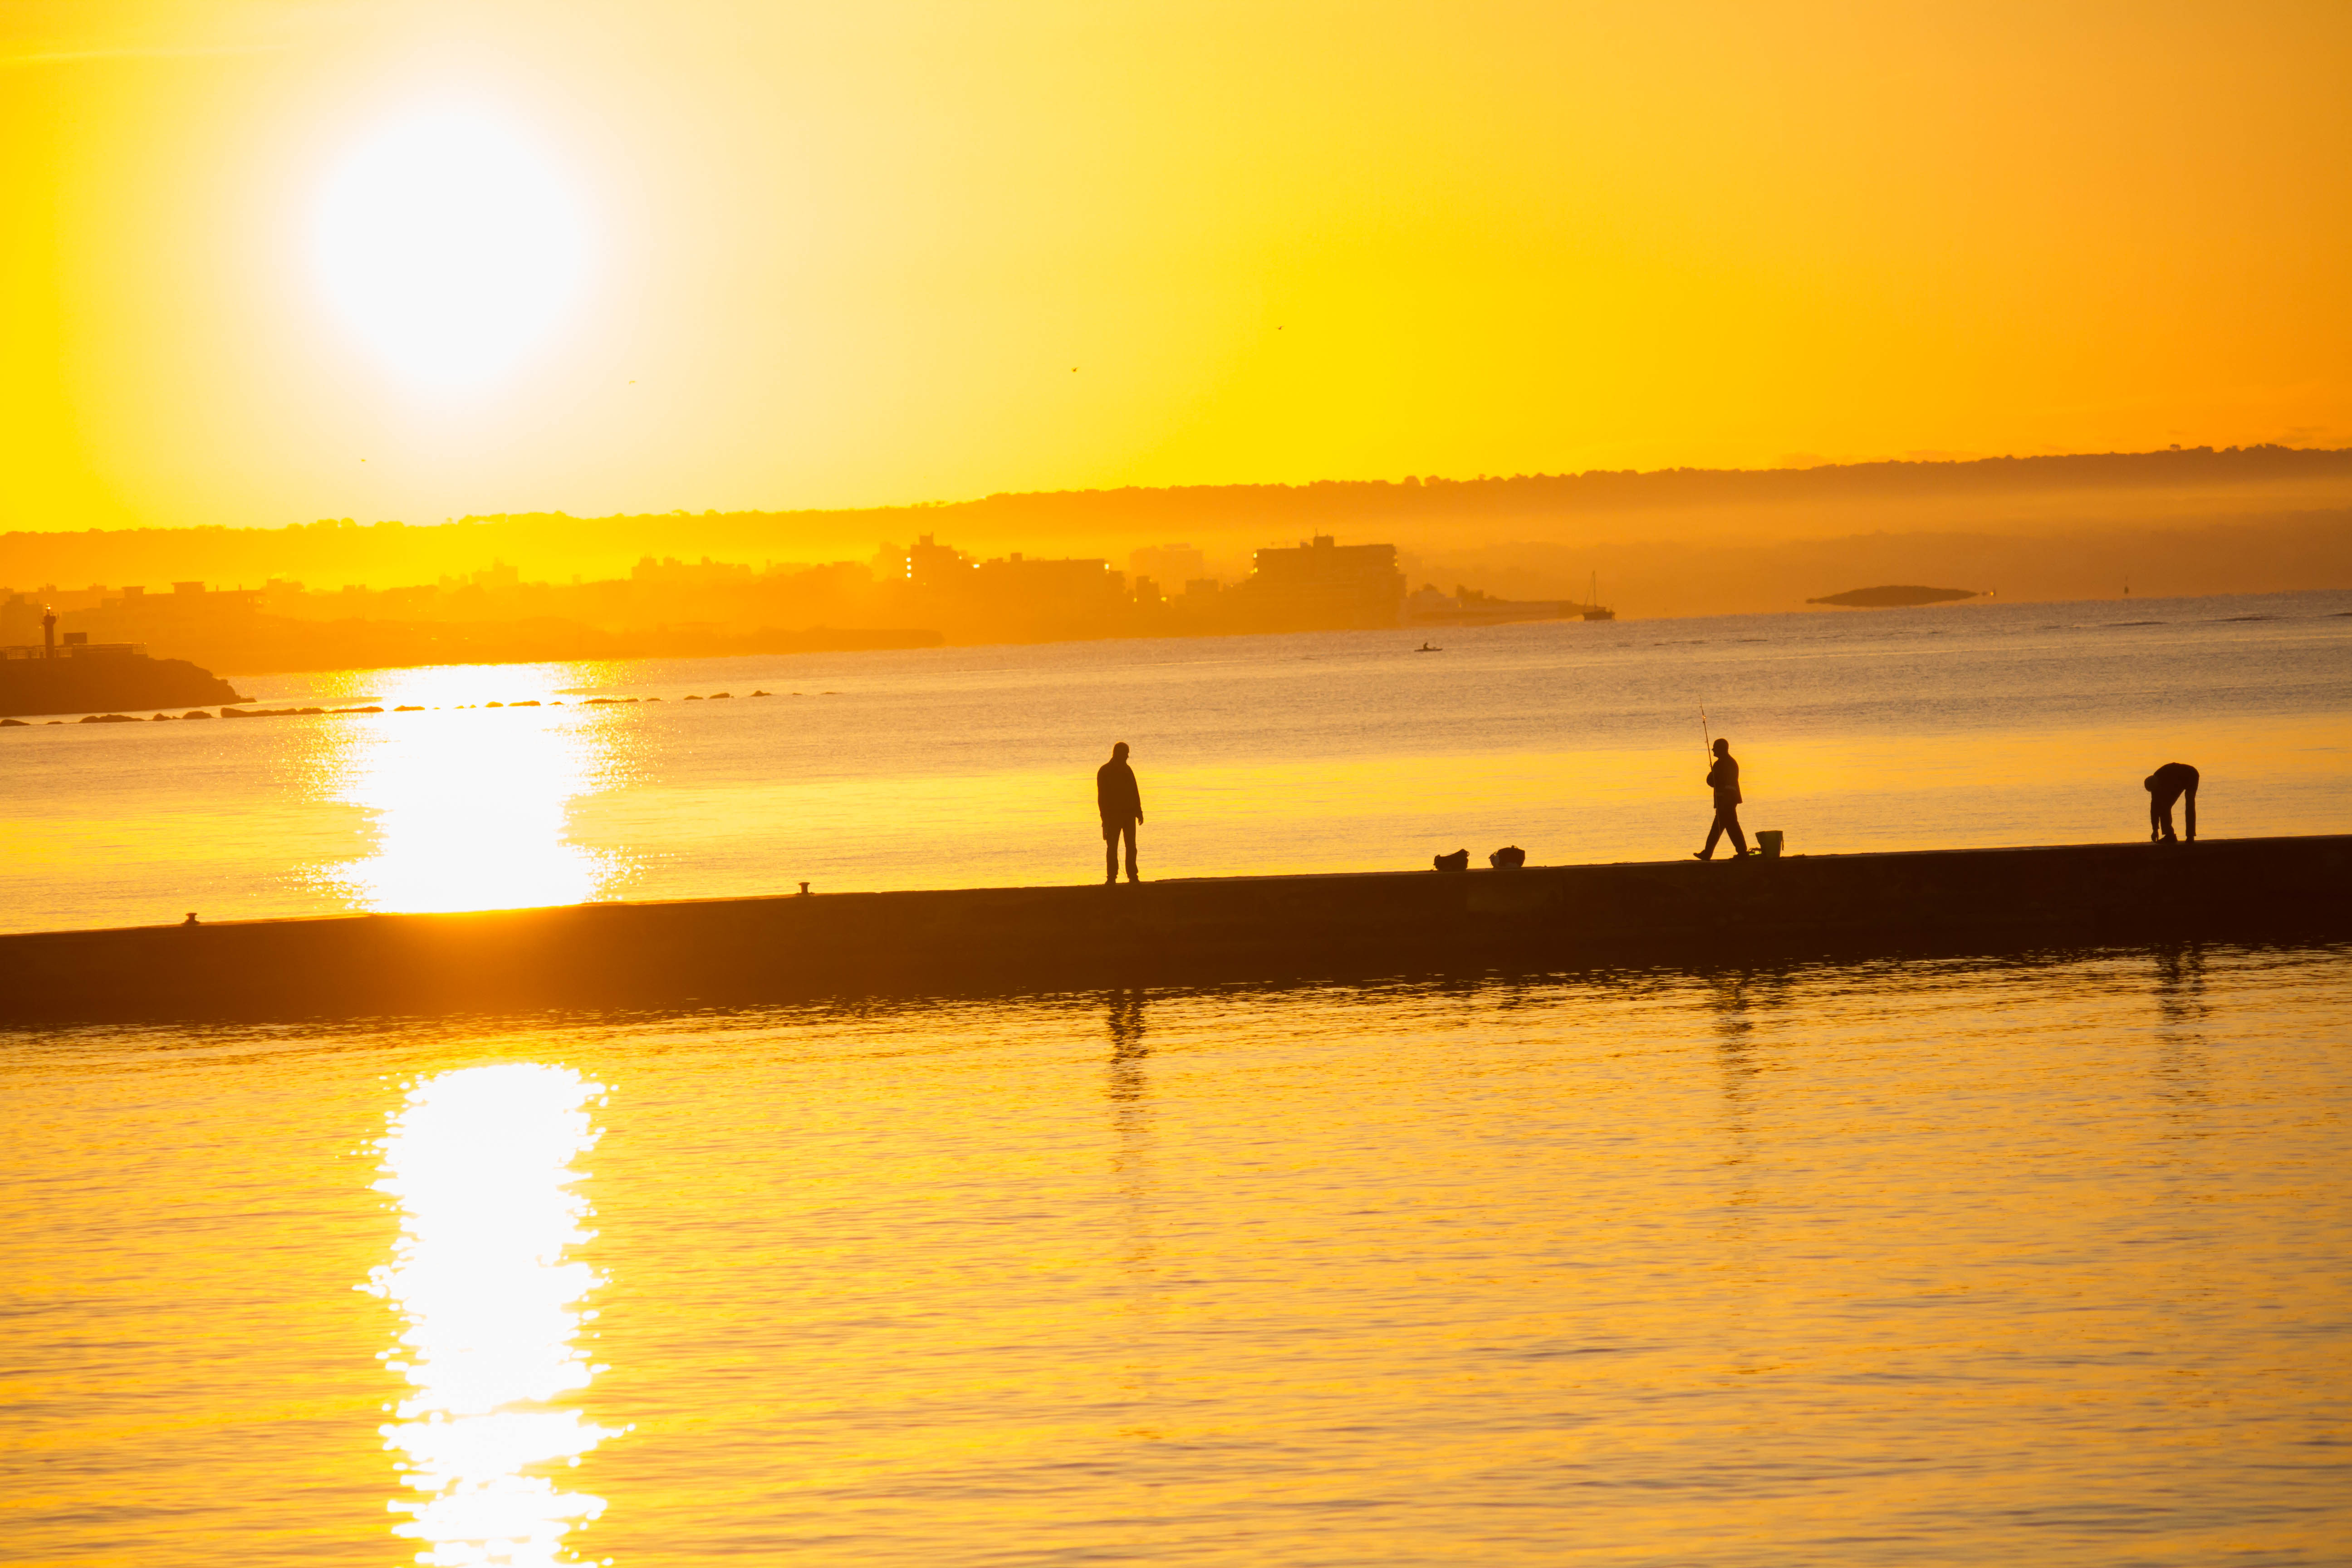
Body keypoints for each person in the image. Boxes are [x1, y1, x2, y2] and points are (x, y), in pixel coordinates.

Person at [1097, 741, 1144, 883]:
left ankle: (1132, 876)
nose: (1128, 756)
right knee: (1113, 848)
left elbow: (1134, 792)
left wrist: (1139, 812)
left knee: (1131, 847)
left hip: (1129, 815)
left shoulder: (1127, 770)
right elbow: (1102, 798)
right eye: (1126, 753)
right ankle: (1112, 877)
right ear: (1118, 753)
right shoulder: (1105, 771)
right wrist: (1104, 818)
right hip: (1112, 817)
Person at [1695, 737, 1749, 860]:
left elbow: (1713, 782)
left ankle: (1741, 853)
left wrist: (1711, 776)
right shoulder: (1730, 762)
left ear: (1721, 749)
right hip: (1728, 800)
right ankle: (1740, 853)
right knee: (1725, 827)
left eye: (1715, 748)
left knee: (1725, 828)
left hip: (1726, 801)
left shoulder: (1721, 764)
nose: (1713, 751)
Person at [2145, 761, 2199, 843]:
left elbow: (2173, 789)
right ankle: (2169, 835)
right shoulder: (2155, 786)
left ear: (2159, 784)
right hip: (2177, 780)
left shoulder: (2167, 777)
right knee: (2164, 806)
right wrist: (2155, 830)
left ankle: (2190, 836)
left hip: (2191, 775)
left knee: (2190, 804)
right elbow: (2154, 808)